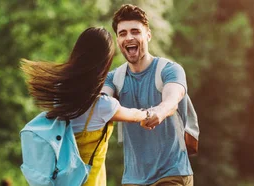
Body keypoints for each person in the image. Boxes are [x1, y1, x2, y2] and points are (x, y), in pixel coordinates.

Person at [21, 27, 151, 186]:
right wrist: (151, 113)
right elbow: (134, 115)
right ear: (104, 63)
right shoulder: (104, 106)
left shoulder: (60, 94)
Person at [101, 4, 194, 186]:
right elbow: (101, 104)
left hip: (171, 173)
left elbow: (172, 100)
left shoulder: (170, 70)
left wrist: (158, 112)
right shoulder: (114, 78)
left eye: (135, 31)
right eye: (122, 33)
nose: (129, 37)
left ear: (148, 35)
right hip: (133, 179)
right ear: (118, 40)